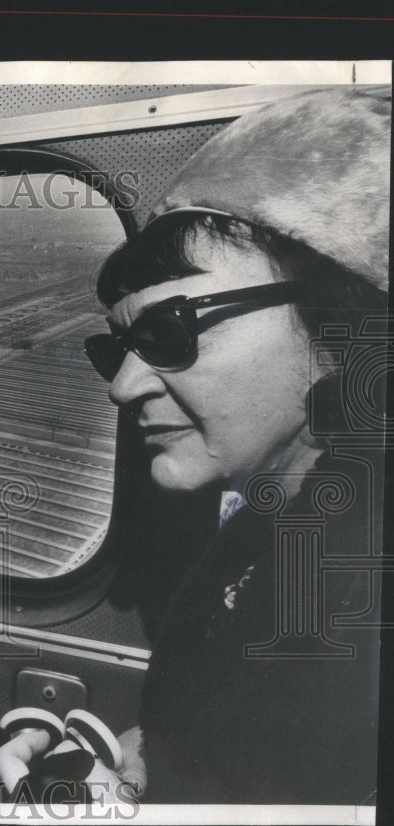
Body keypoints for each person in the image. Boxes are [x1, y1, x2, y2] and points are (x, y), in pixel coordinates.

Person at [80, 87, 388, 803]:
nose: (122, 388)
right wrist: (153, 761)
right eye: (117, 347)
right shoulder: (271, 519)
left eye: (169, 332)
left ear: (340, 317)